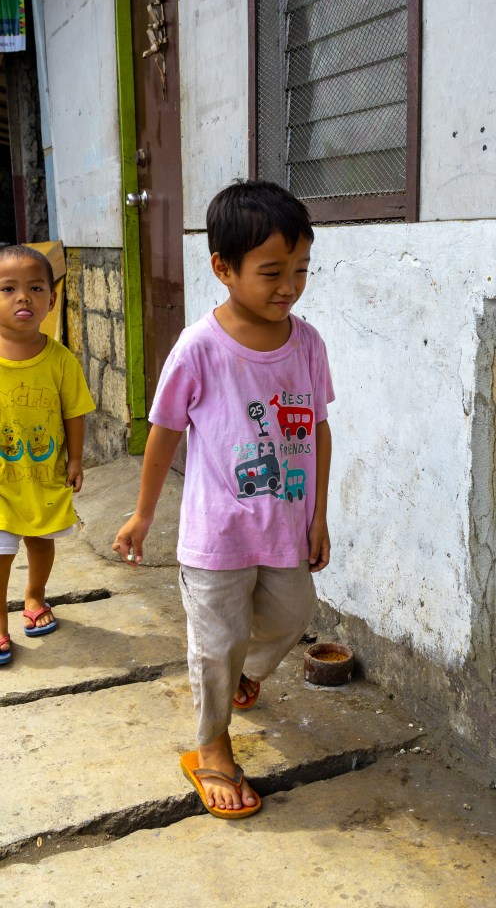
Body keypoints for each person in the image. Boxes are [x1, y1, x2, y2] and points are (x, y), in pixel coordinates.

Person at [112, 180, 334, 819]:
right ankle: (211, 744)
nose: (288, 285)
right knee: (215, 640)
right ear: (224, 268)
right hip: (216, 535)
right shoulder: (201, 347)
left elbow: (318, 428)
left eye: (300, 270)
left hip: (286, 527)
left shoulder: (308, 343)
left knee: (293, 614)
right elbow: (164, 432)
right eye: (271, 272)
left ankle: (247, 673)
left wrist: (319, 514)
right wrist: (144, 512)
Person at [0, 245, 95, 668]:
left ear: (51, 301)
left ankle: (35, 596)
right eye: (8, 289)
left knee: (41, 542)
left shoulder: (61, 360)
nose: (23, 297)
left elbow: (74, 411)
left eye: (35, 288)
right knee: (0, 551)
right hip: (2, 480)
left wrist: (75, 459)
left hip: (44, 475)